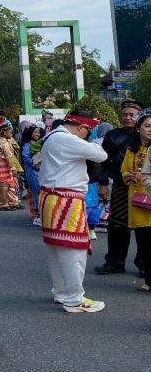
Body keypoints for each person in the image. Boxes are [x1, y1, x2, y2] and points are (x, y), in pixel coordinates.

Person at [38, 111, 107, 313]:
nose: (88, 135)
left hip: (51, 197)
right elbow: (101, 155)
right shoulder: (66, 139)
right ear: (81, 127)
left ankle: (61, 292)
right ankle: (74, 298)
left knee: (56, 247)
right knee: (73, 248)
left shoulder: (52, 136)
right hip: (66, 199)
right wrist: (94, 144)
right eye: (88, 131)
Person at [94, 99, 144, 275]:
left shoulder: (147, 135)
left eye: (132, 115)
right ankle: (115, 262)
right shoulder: (112, 136)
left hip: (144, 187)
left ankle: (145, 265)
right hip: (121, 187)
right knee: (117, 225)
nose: (127, 118)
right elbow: (103, 162)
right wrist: (102, 183)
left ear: (140, 116)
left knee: (144, 227)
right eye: (124, 114)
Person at [121, 109, 151, 292]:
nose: (150, 130)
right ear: (138, 128)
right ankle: (148, 278)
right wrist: (129, 176)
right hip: (138, 201)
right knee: (144, 242)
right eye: (147, 126)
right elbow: (123, 169)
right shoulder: (131, 149)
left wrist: (143, 175)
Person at [21, 124, 43, 226]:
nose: (37, 134)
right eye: (35, 132)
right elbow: (26, 158)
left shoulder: (38, 143)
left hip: (40, 170)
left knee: (41, 192)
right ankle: (37, 216)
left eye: (38, 132)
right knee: (36, 192)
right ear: (30, 133)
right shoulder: (27, 145)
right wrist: (36, 162)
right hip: (32, 171)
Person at [0, 122, 20, 210]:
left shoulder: (5, 141)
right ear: (4, 133)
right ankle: (4, 204)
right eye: (10, 132)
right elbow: (8, 156)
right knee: (4, 185)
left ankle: (11, 202)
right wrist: (12, 168)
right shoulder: (3, 142)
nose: (11, 134)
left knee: (9, 184)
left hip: (5, 165)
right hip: (3, 166)